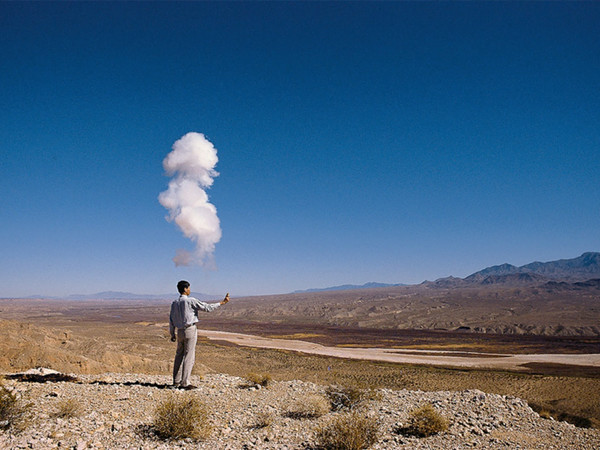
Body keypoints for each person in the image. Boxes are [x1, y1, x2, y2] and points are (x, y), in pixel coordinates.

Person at [169, 280, 230, 389]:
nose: (190, 290)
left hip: (180, 331)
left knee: (179, 355)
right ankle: (185, 383)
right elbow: (207, 307)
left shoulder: (174, 303)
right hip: (189, 329)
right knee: (189, 355)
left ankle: (176, 381)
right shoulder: (190, 301)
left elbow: (171, 319)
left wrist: (172, 333)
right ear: (185, 289)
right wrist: (222, 303)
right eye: (189, 288)